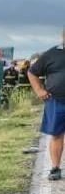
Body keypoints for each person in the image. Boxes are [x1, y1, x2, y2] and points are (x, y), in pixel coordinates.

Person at [28, 28, 65, 181]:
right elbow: (32, 72)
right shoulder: (52, 54)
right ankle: (55, 168)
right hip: (56, 100)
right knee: (56, 135)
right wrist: (38, 90)